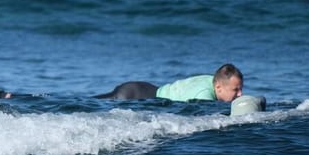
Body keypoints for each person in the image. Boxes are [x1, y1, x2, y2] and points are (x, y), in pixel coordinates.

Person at [94, 63, 244, 102]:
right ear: (218, 86)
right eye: (235, 90)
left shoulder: (212, 79)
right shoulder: (204, 95)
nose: (240, 94)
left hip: (140, 89)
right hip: (135, 96)